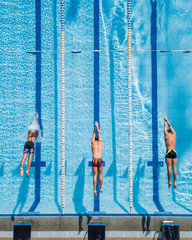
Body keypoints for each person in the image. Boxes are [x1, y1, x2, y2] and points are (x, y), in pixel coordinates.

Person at [164, 115, 177, 189]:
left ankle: (169, 181)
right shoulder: (174, 135)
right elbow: (170, 126)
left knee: (169, 167)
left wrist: (164, 120)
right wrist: (167, 120)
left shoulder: (166, 135)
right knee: (174, 167)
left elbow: (165, 127)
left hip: (168, 152)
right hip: (174, 151)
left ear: (167, 132)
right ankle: (175, 182)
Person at [91, 121, 104, 196]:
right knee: (100, 174)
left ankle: (95, 190)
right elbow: (99, 134)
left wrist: (94, 129)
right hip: (100, 159)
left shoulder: (93, 143)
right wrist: (97, 127)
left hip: (95, 159)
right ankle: (101, 188)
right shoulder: (101, 143)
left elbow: (93, 135)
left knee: (95, 175)